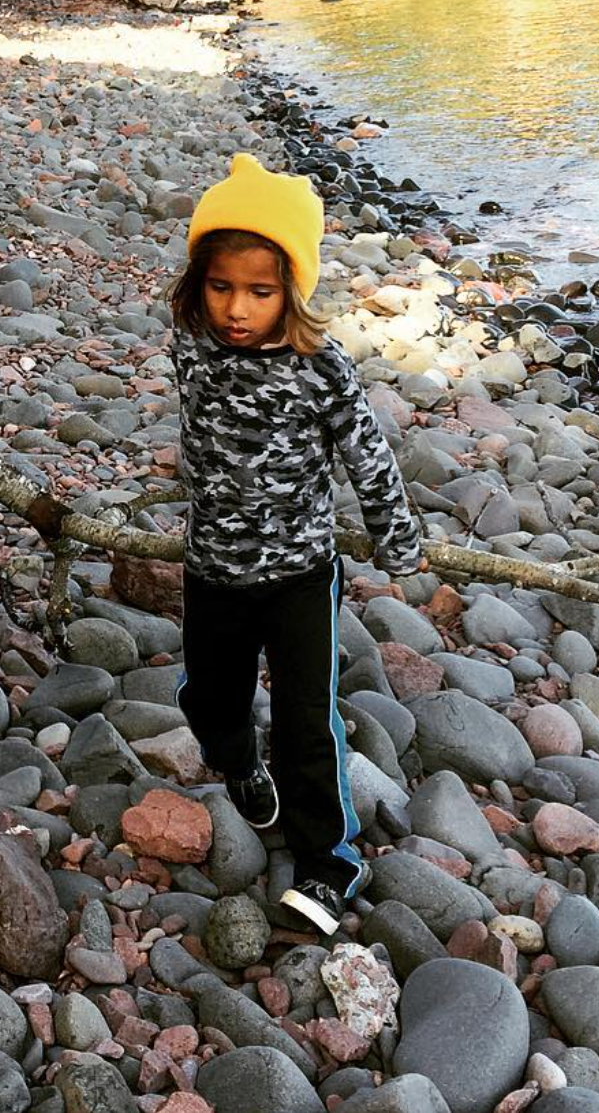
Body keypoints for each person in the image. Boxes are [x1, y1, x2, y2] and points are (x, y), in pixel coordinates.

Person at [169, 152, 424, 936]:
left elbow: (366, 453)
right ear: (198, 282)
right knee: (210, 699)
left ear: (294, 289)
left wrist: (395, 535)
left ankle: (329, 862)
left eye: (260, 291)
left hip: (299, 575)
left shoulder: (320, 366)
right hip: (214, 566)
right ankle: (242, 767)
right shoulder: (192, 344)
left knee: (306, 723)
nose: (236, 308)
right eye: (220, 286)